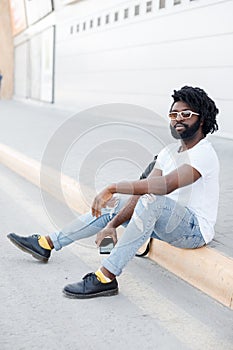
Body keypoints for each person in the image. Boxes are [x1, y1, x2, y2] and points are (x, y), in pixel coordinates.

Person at [8, 86, 219, 299]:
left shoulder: (203, 153)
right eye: (174, 114)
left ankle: (106, 277)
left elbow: (164, 186)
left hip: (194, 230)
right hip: (164, 220)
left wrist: (113, 186)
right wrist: (112, 225)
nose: (178, 119)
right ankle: (47, 243)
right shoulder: (168, 152)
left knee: (152, 200)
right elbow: (145, 187)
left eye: (186, 114)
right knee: (115, 205)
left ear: (201, 120)